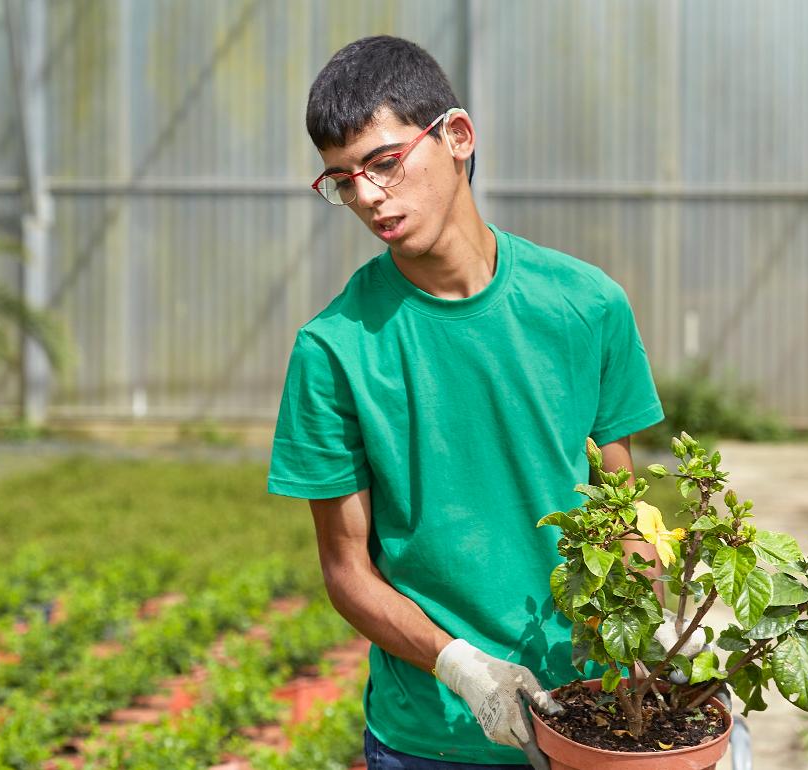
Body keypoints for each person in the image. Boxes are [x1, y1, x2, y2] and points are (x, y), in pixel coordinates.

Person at [267, 35, 666, 769]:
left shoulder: (586, 306)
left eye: (384, 163)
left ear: (456, 136)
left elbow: (621, 505)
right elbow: (347, 570)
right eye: (342, 180)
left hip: (595, 719)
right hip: (433, 737)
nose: (367, 196)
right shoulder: (333, 350)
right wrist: (460, 666)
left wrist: (654, 630)